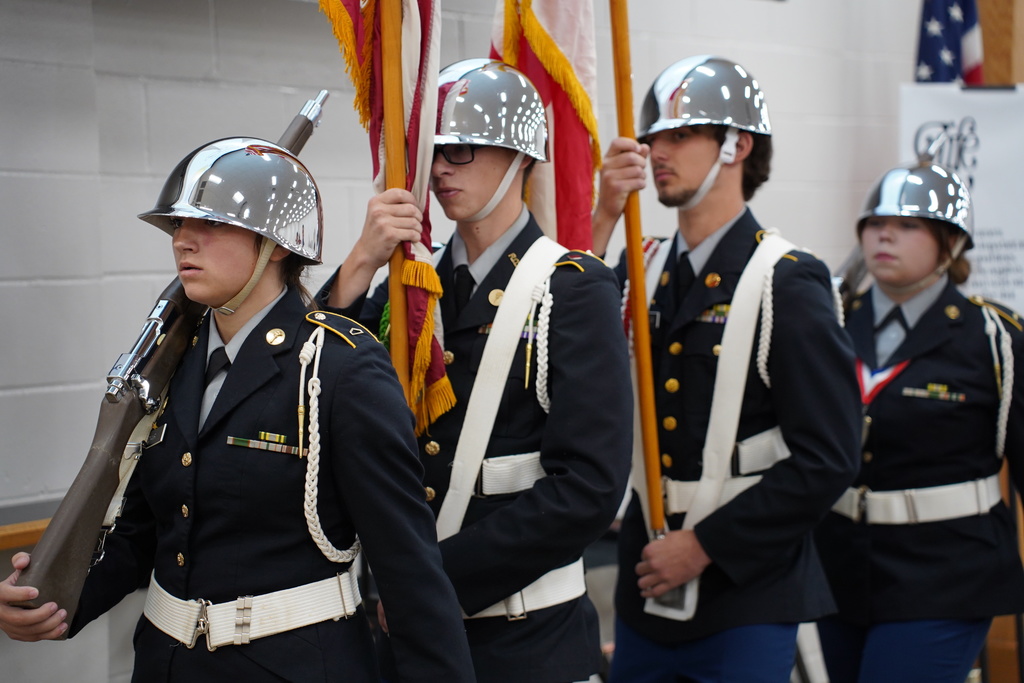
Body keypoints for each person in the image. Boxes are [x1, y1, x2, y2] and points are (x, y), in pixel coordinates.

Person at [0, 138, 475, 683]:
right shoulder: (172, 361)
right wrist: (56, 604)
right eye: (178, 225)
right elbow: (143, 530)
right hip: (167, 665)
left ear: (276, 245)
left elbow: (409, 571)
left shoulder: (340, 369)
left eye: (213, 225)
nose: (183, 240)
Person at [322, 58, 633, 683]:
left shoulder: (573, 290)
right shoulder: (411, 289)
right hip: (409, 643)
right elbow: (310, 388)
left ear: (520, 156)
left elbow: (589, 488)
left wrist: (431, 583)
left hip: (524, 642)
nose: (438, 169)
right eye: (433, 151)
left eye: (460, 149)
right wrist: (359, 265)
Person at [591, 55, 861, 681]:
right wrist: (603, 216)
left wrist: (707, 545)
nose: (659, 150)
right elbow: (569, 350)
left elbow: (829, 457)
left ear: (737, 145)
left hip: (745, 586)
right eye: (654, 136)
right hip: (646, 575)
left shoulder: (788, 282)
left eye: (681, 135)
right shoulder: (641, 267)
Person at [813, 157, 1024, 683]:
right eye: (876, 224)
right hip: (840, 567)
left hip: (947, 573)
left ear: (949, 245)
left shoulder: (992, 339)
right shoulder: (827, 322)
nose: (886, 236)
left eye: (908, 226)